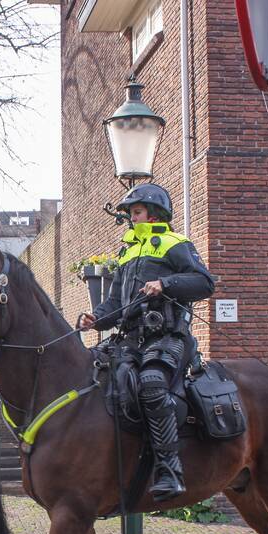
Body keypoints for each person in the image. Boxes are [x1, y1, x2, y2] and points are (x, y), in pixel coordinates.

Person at [80, 183, 215, 502]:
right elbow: (115, 304)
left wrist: (165, 283)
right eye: (130, 214)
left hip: (167, 338)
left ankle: (170, 470)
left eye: (136, 212)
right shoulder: (127, 252)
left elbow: (204, 282)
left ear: (154, 214)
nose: (131, 218)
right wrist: (95, 318)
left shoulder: (174, 243)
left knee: (152, 385)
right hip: (130, 340)